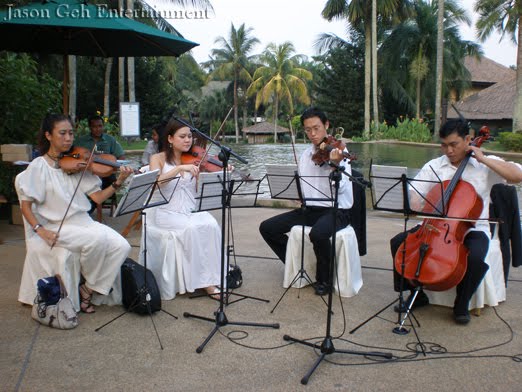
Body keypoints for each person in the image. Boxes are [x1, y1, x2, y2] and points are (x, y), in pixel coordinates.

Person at [390, 119, 522, 324]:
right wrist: (416, 201)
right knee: (399, 242)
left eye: (454, 144)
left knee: (477, 257)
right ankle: (416, 293)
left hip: (473, 228)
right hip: (434, 226)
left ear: (468, 140)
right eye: (444, 145)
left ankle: (462, 302)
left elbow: (517, 175)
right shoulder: (435, 166)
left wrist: (483, 159)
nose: (448, 150)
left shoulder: (482, 164)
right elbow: (413, 194)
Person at [16, 114, 134, 313]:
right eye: (62, 133)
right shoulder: (39, 167)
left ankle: (88, 289)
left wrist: (118, 181)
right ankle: (89, 286)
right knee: (96, 240)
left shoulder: (77, 163)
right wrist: (40, 230)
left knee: (122, 246)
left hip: (83, 222)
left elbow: (97, 197)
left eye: (71, 133)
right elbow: (25, 205)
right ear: (48, 135)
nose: (69, 138)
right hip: (57, 226)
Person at [259, 107, 353, 296]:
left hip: (336, 211)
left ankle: (324, 279)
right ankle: (298, 265)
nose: (312, 134)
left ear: (326, 125)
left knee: (318, 234)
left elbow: (341, 189)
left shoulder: (339, 152)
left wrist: (335, 165)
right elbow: (303, 184)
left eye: (316, 128)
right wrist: (298, 193)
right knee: (267, 228)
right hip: (310, 209)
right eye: (308, 130)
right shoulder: (305, 155)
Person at [148, 118, 221, 298]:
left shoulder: (195, 160)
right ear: (170, 139)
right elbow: (155, 184)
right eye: (182, 136)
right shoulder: (157, 158)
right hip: (167, 213)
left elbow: (202, 186)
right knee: (191, 229)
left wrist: (221, 171)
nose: (188, 140)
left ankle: (214, 275)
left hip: (189, 211)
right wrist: (179, 168)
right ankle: (205, 283)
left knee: (211, 224)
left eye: (189, 136)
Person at [76, 114, 126, 191]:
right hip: (86, 173)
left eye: (100, 126)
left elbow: (121, 156)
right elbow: (73, 155)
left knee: (110, 179)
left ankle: (103, 198)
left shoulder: (110, 140)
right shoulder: (81, 141)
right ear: (90, 127)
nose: (98, 129)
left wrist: (113, 168)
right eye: (94, 127)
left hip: (106, 174)